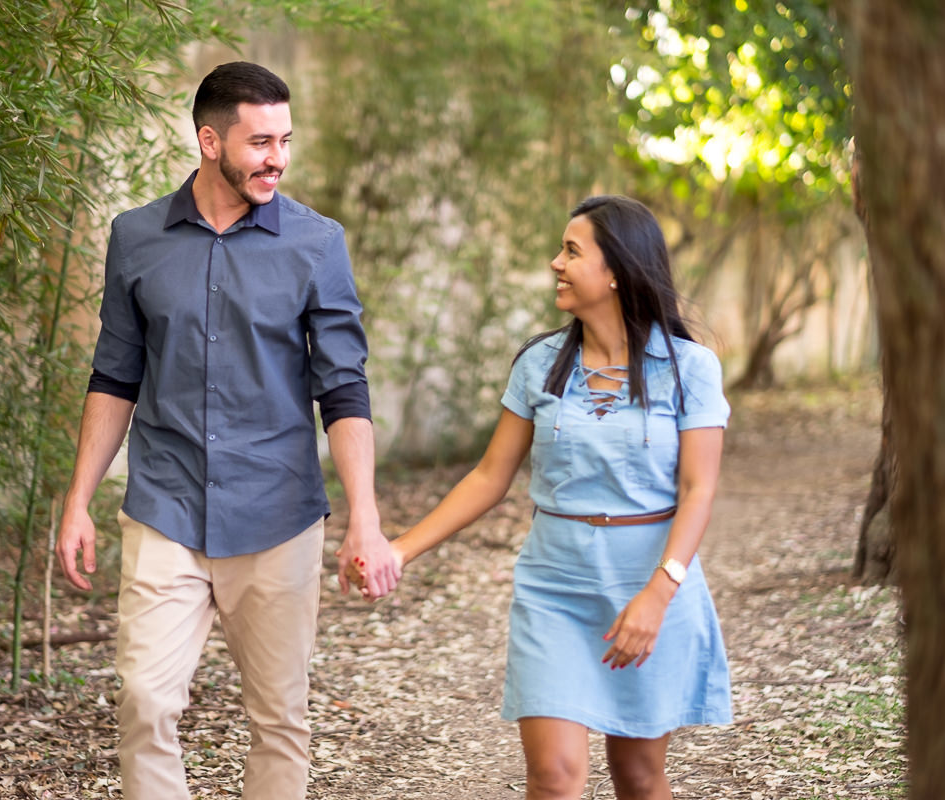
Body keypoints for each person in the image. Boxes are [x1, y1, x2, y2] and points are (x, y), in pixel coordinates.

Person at [55, 61, 400, 800]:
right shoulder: (137, 237)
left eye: (285, 140)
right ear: (210, 141)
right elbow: (115, 375)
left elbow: (343, 387)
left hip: (278, 514)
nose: (276, 158)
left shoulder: (317, 244)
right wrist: (78, 499)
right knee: (145, 701)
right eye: (259, 142)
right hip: (166, 506)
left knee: (278, 718)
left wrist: (364, 521)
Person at [352, 195, 732, 800]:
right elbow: (489, 477)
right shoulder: (540, 364)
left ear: (617, 270)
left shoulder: (690, 368)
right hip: (555, 588)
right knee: (553, 778)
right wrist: (399, 550)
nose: (556, 263)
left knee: (639, 776)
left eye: (571, 251)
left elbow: (699, 489)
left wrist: (659, 595)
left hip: (650, 586)